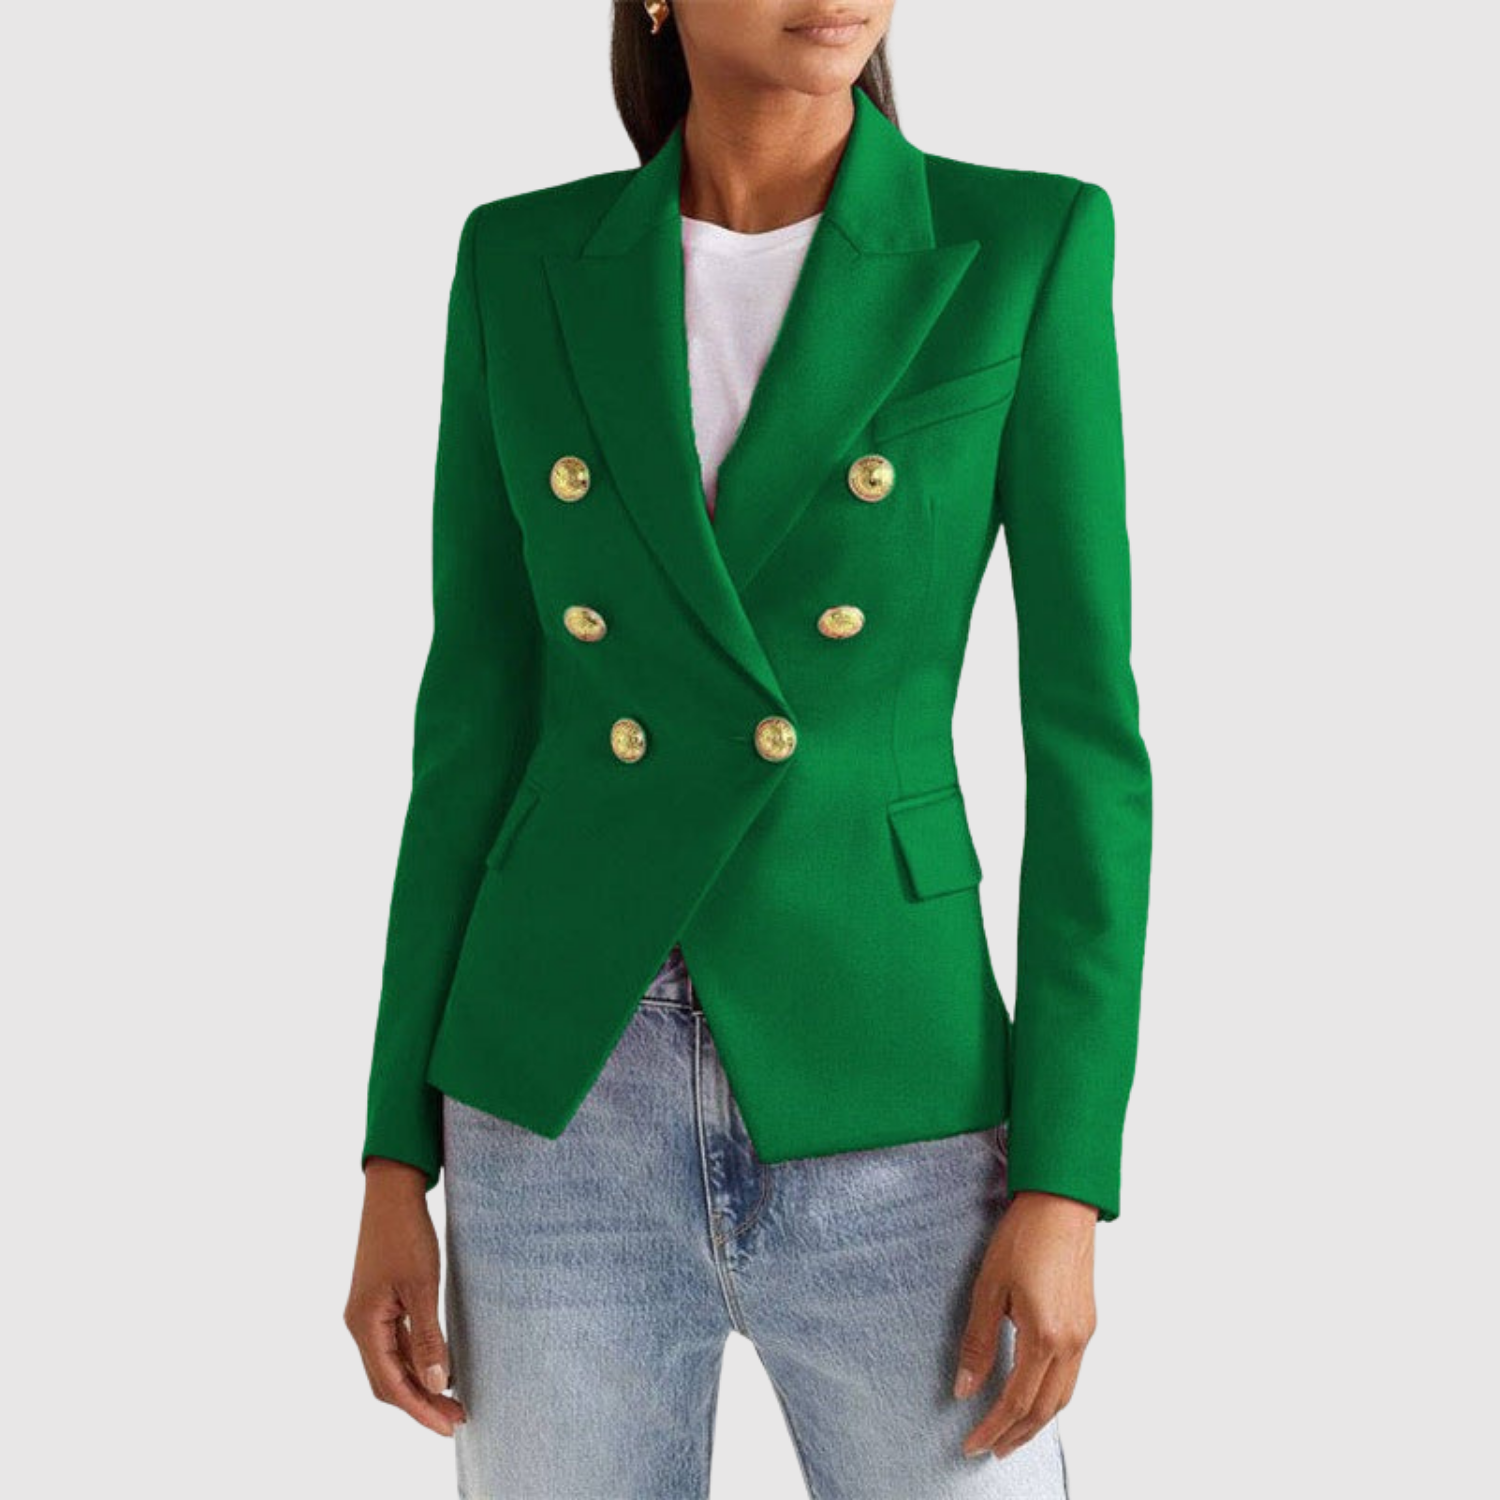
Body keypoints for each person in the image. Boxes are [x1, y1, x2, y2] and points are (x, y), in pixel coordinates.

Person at [344, 3, 1152, 1495]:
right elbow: (471, 726)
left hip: (891, 1074)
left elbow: (1088, 742)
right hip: (554, 1096)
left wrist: (1065, 1177)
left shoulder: (1023, 242)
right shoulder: (521, 258)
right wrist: (398, 1153)